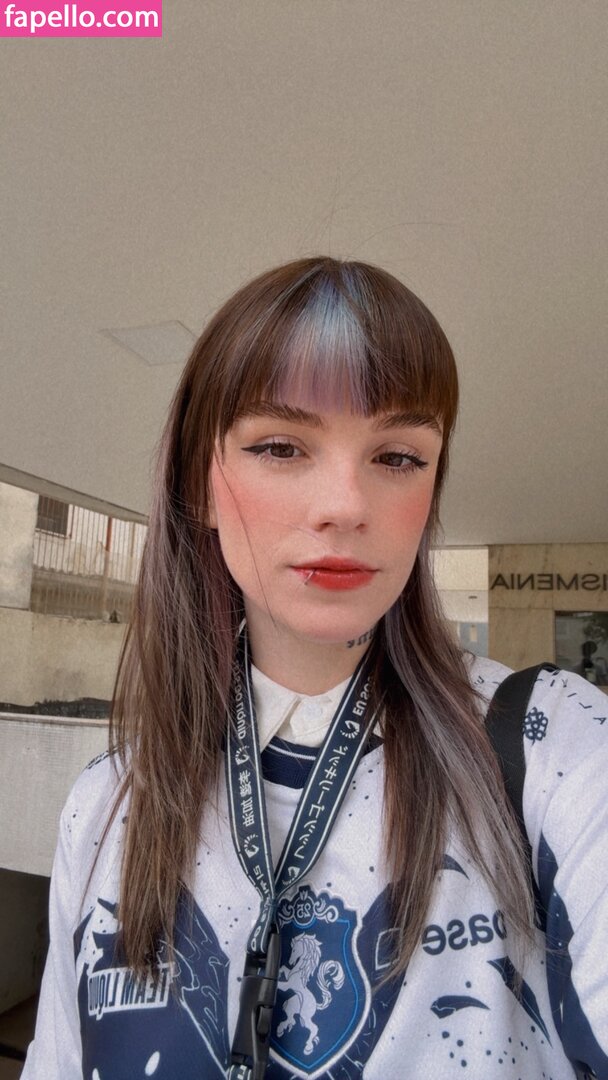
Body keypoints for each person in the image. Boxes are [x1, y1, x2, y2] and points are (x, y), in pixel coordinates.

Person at [22, 257, 608, 1079]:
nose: (346, 505)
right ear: (201, 482)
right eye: (280, 446)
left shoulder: (552, 747)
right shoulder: (106, 803)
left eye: (397, 457)